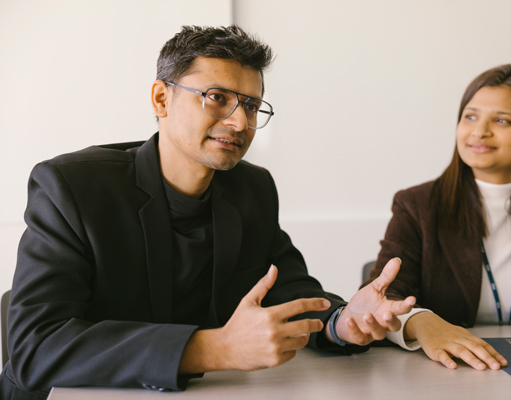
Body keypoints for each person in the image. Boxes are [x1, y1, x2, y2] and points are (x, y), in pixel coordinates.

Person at [1, 25, 415, 400]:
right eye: (217, 98)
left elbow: (290, 290)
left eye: (252, 106)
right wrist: (214, 348)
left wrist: (343, 322)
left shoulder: (252, 188)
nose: (239, 122)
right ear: (162, 98)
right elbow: (34, 346)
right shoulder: (72, 187)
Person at [363, 64, 511, 371]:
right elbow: (385, 297)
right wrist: (423, 324)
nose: (479, 131)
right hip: (450, 374)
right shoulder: (417, 205)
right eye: (470, 116)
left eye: (501, 120)